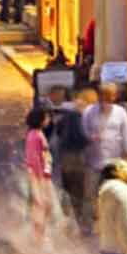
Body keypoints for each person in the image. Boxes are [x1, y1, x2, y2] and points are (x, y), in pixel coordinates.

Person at [50, 85, 91, 226]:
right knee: (79, 191)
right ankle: (80, 221)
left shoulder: (66, 117)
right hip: (77, 159)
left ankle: (68, 218)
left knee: (68, 189)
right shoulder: (78, 118)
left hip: (65, 159)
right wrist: (90, 140)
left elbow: (58, 133)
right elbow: (80, 138)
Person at [90, 80, 127, 180]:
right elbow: (84, 132)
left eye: (109, 95)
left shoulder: (120, 112)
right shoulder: (90, 112)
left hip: (114, 162)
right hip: (94, 163)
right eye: (103, 94)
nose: (106, 98)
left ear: (114, 96)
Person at [23, 105, 53, 236]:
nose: (49, 120)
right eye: (47, 117)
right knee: (40, 205)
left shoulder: (36, 134)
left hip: (42, 175)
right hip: (38, 176)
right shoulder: (35, 135)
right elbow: (34, 158)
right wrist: (40, 177)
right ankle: (38, 237)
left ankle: (40, 235)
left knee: (44, 206)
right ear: (40, 119)